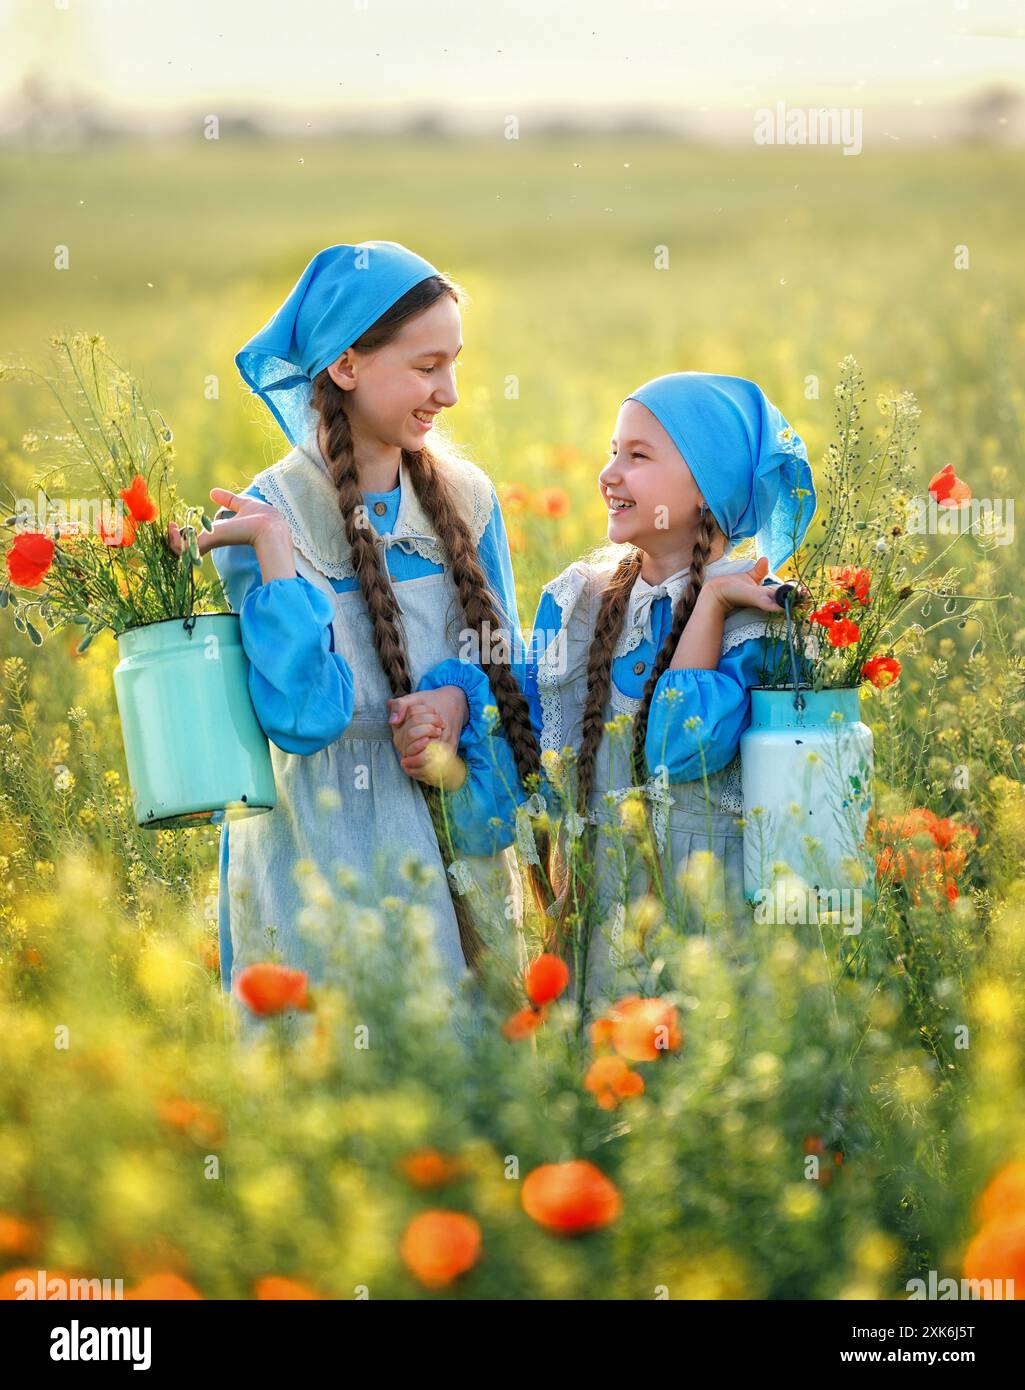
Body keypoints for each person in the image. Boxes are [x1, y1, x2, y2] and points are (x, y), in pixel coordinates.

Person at [168, 241, 541, 1039]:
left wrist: (452, 696)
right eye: (425, 367)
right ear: (344, 366)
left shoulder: (468, 501)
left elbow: (508, 682)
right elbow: (302, 719)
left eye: (455, 363)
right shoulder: (269, 515)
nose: (449, 391)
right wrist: (271, 557)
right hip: (318, 851)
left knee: (458, 1086)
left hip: (451, 841)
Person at [407, 371, 817, 1014]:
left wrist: (709, 603)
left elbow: (680, 748)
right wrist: (452, 734)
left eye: (639, 455)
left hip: (712, 935)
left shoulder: (755, 621)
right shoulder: (577, 604)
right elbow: (527, 761)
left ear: (708, 487)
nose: (609, 473)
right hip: (601, 936)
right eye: (611, 450)